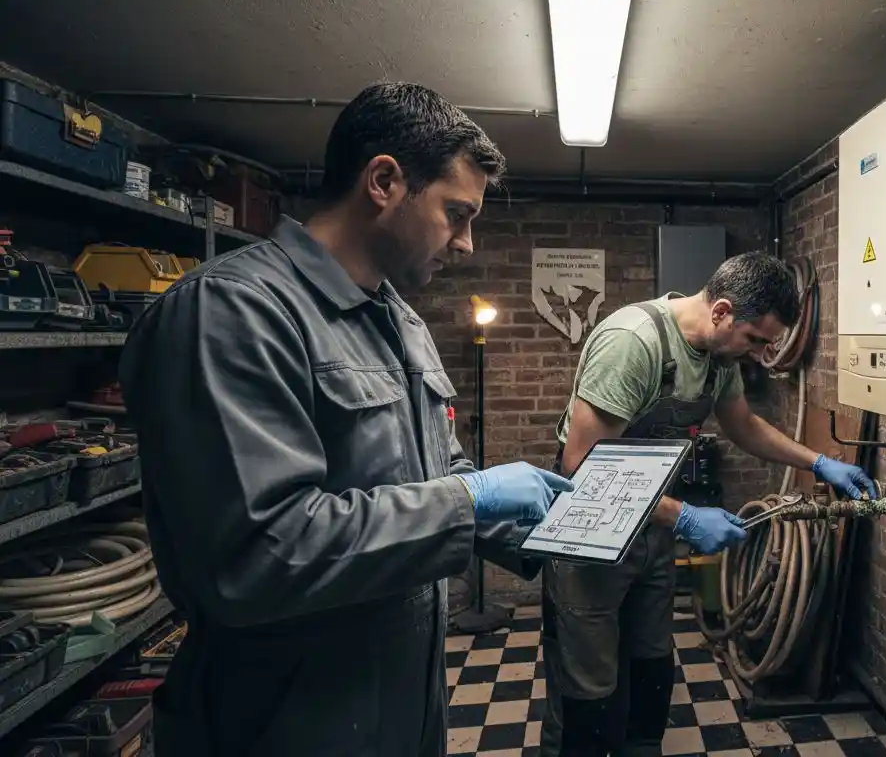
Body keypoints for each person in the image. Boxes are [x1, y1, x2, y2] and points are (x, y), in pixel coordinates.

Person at [120, 82, 573, 757]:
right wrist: (466, 503)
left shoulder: (402, 322)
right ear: (384, 182)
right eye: (457, 213)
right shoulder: (232, 312)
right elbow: (258, 553)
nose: (468, 244)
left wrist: (549, 530)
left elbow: (437, 474)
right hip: (282, 725)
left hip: (402, 710)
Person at [541, 251, 878, 756]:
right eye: (756, 340)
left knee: (651, 661)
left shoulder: (719, 358)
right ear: (721, 311)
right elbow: (581, 465)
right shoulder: (635, 343)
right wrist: (685, 516)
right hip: (592, 529)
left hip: (649, 527)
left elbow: (742, 424)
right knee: (589, 682)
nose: (761, 353)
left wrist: (819, 462)